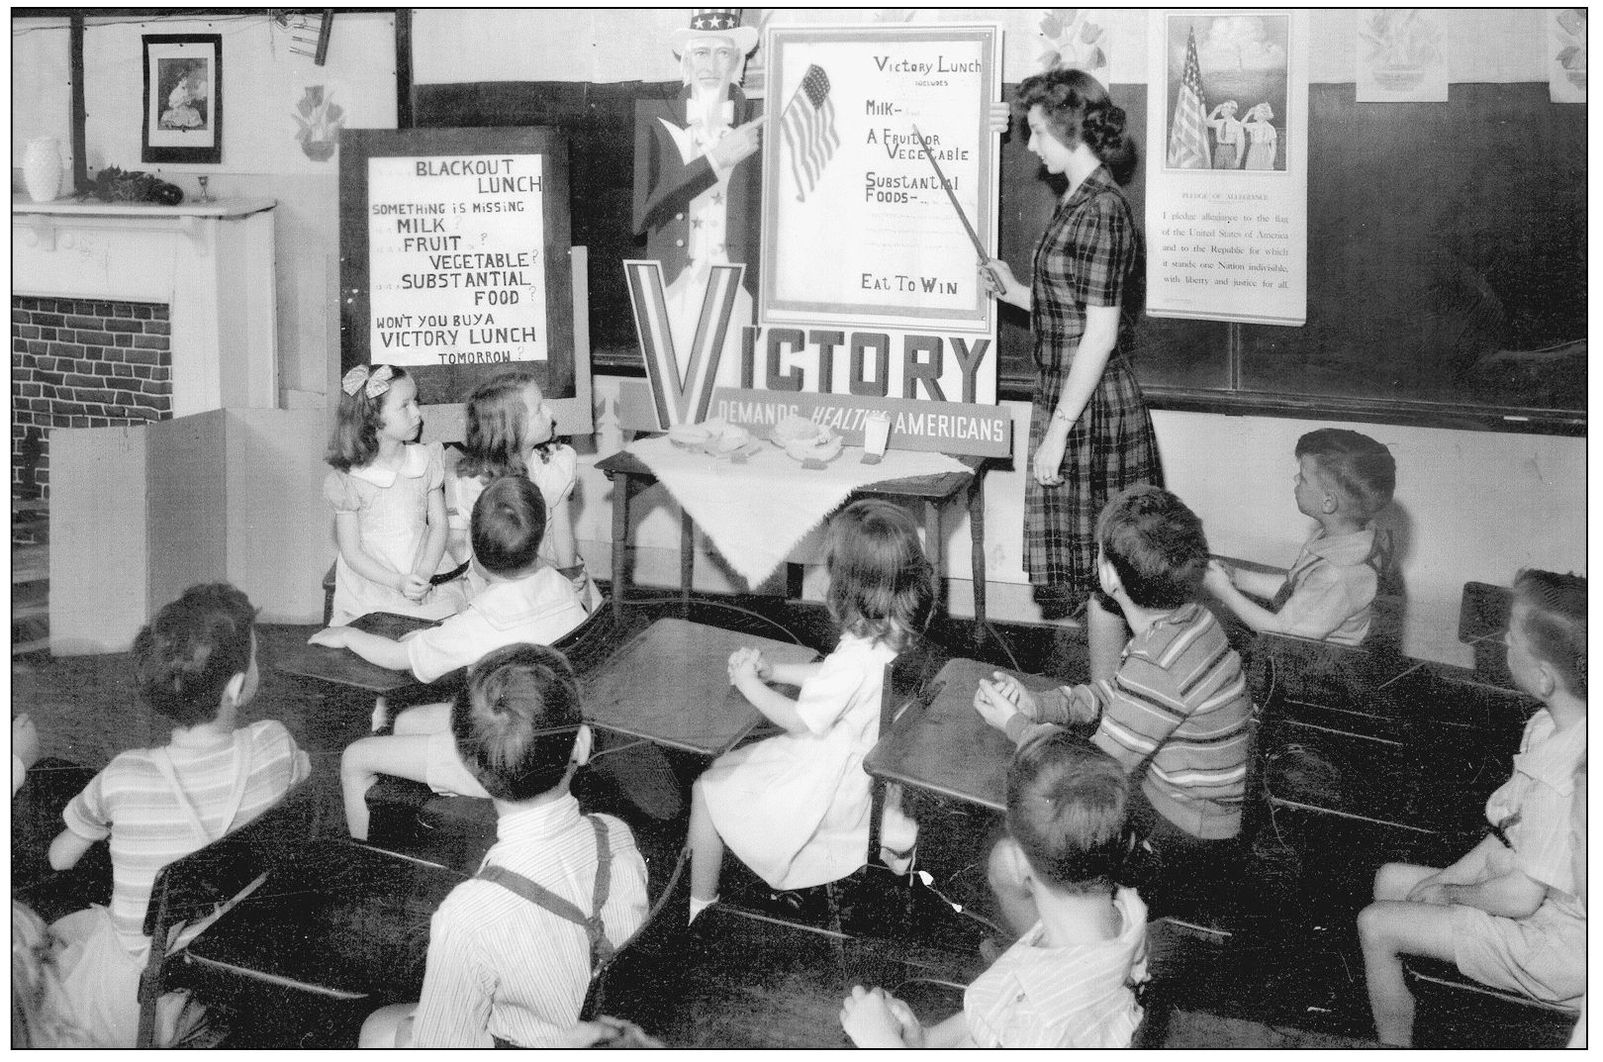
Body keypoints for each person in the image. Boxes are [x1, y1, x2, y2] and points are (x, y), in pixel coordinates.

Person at [46, 583, 311, 1047]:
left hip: (138, 1002)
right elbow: (299, 786)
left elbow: (60, 859)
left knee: (55, 935)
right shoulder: (275, 742)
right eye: (255, 657)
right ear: (234, 686)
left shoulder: (123, 776)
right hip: (228, 963)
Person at [973, 486, 1251, 921]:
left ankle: (1056, 958)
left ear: (1110, 578)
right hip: (1192, 817)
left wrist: (1013, 725)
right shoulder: (1188, 621)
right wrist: (1037, 706)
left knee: (1020, 851)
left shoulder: (1158, 661)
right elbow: (1118, 694)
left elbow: (1085, 778)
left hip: (1184, 845)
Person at [357, 644, 649, 1048]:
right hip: (598, 1029)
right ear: (580, 745)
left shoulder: (468, 915)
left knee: (379, 1027)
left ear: (468, 768)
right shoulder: (615, 835)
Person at [980, 69, 1162, 686]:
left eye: (1035, 132)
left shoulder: (1105, 208)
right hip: (1069, 398)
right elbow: (1071, 309)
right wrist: (1015, 292)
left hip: (1091, 410)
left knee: (1110, 577)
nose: (1030, 147)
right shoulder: (1077, 200)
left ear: (1068, 127)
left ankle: (1122, 704)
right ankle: (1107, 699)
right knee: (1096, 575)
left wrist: (1058, 430)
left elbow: (1102, 333)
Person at [1356, 570, 1585, 1047]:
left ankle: (1390, 1045)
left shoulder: (1568, 777)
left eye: (1515, 635)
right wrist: (1446, 881)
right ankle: (1396, 1015)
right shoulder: (1549, 725)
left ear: (1544, 675)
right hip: (1531, 892)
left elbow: (1522, 898)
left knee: (1376, 923)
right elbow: (1505, 833)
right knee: (1389, 881)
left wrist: (1453, 896)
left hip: (1560, 946)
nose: (1504, 638)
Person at [686, 499, 934, 922]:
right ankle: (886, 834)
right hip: (861, 769)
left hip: (829, 785)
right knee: (732, 765)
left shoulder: (856, 655)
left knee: (707, 787)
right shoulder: (894, 633)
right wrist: (774, 669)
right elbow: (835, 680)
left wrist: (748, 683)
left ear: (848, 583)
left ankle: (698, 908)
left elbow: (800, 718)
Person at [313, 475, 588, 840]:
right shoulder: (561, 587)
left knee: (355, 758)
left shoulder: (479, 622)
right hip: (546, 737)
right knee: (406, 722)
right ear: (538, 536)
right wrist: (438, 637)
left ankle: (371, 866)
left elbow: (398, 656)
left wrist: (348, 632)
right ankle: (416, 819)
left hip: (499, 756)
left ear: (476, 553)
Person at [840, 732, 1148, 1048]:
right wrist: (926, 1041)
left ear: (1016, 863)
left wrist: (880, 1043)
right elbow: (996, 1013)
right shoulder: (1127, 911)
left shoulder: (1041, 1027)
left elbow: (1022, 1020)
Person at [632, 9, 763, 376]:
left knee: (731, 384)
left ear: (738, 60)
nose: (711, 64)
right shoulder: (656, 117)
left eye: (722, 52)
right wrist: (715, 160)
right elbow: (641, 217)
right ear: (687, 59)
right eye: (701, 52)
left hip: (735, 283)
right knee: (680, 389)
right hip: (677, 282)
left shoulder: (757, 120)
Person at [1204, 428, 1396, 647]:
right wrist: (1238, 577)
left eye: (1303, 478)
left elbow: (1281, 634)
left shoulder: (1339, 573)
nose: (1295, 478)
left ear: (1328, 502)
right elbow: (1299, 587)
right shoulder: (1344, 537)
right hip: (1297, 635)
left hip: (1313, 664)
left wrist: (1225, 592)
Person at [445, 369, 599, 610]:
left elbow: (561, 529)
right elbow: (478, 554)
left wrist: (567, 572)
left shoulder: (555, 463)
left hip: (548, 561)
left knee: (576, 607)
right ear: (511, 429)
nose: (550, 413)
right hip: (498, 572)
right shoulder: (477, 483)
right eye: (539, 410)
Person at [323, 363, 462, 626]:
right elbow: (352, 553)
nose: (417, 414)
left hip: (424, 568)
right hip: (376, 580)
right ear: (373, 418)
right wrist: (397, 582)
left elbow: (439, 525)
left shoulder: (425, 460)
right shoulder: (351, 479)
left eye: (416, 402)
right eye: (405, 405)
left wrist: (422, 575)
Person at [1207, 100, 1244, 168]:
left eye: (1226, 107)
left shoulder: (1237, 125)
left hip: (1230, 149)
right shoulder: (1219, 122)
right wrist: (1215, 111)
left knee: (1230, 173)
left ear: (1233, 110)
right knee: (1217, 172)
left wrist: (1238, 159)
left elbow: (1240, 143)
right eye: (1223, 107)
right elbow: (1207, 123)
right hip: (1219, 149)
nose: (1223, 109)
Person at [1242, 102, 1278, 170]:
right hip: (1253, 152)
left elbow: (1273, 147)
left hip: (1265, 153)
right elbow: (1241, 125)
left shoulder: (1270, 128)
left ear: (1263, 114)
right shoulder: (1253, 125)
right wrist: (1248, 114)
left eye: (1257, 111)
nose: (1254, 113)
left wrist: (1271, 162)